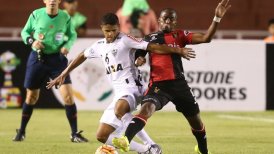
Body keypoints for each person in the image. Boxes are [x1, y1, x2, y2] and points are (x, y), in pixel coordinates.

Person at [46, 13, 195, 153]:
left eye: (113, 30)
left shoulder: (125, 39)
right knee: (102, 136)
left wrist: (177, 51)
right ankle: (148, 149)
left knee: (120, 110)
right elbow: (82, 55)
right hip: (119, 92)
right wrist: (64, 73)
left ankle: (149, 145)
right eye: (107, 31)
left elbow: (151, 46)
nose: (110, 34)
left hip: (133, 88)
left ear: (119, 27)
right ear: (102, 29)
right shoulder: (99, 45)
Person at [112, 0, 231, 154]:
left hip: (179, 85)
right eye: (165, 19)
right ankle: (125, 140)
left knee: (196, 121)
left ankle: (203, 149)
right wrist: (139, 60)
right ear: (159, 20)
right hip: (158, 85)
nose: (168, 21)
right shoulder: (150, 38)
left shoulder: (180, 35)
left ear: (175, 22)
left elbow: (206, 38)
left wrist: (216, 18)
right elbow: (139, 57)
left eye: (171, 19)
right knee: (146, 109)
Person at [13, 0, 88, 143]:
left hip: (57, 60)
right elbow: (25, 32)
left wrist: (67, 46)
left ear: (59, 1)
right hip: (38, 58)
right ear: (45, 1)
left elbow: (72, 35)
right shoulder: (36, 14)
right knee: (31, 97)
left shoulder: (65, 17)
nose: (52, 0)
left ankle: (74, 134)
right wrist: (31, 41)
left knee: (68, 96)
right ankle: (21, 131)